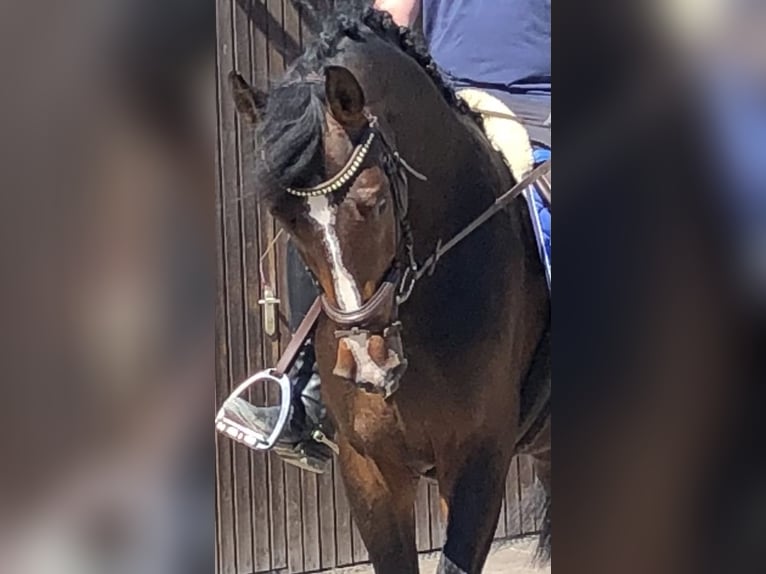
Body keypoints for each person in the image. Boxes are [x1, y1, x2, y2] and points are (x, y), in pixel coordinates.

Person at [229, 0, 551, 472]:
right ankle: (304, 396)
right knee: (328, 210)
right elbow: (388, 18)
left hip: (539, 103)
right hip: (447, 99)